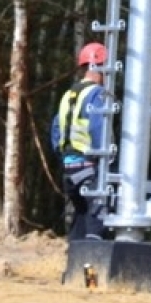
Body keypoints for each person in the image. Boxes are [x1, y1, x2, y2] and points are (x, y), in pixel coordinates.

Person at [52, 42, 112, 240]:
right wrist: (106, 154)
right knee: (98, 215)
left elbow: (55, 130)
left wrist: (63, 157)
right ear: (98, 67)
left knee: (81, 214)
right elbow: (97, 126)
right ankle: (93, 262)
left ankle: (75, 263)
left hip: (68, 166)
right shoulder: (96, 94)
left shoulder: (68, 95)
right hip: (88, 164)